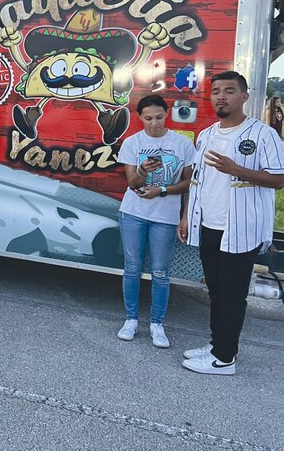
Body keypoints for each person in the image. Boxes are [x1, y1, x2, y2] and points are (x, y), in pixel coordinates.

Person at [179, 71, 284, 375]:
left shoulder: (263, 135)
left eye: (229, 91)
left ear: (244, 96)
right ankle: (217, 345)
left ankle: (225, 358)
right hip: (209, 225)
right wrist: (187, 216)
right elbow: (197, 180)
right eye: (216, 92)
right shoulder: (207, 134)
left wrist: (236, 169)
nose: (221, 97)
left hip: (241, 228)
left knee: (234, 295)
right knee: (216, 291)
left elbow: (278, 179)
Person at [115, 94, 194, 348]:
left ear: (166, 114)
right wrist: (142, 171)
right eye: (148, 118)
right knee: (133, 268)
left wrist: (163, 192)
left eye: (159, 117)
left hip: (165, 217)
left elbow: (188, 184)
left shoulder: (182, 144)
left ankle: (157, 324)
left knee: (160, 272)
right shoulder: (132, 142)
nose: (154, 123)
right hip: (133, 213)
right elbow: (132, 184)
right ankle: (131, 320)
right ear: (140, 117)